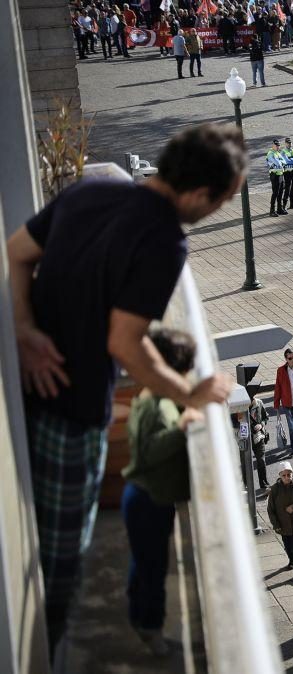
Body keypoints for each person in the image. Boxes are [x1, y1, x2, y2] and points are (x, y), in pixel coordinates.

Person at [7, 124, 240, 653]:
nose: (217, 210)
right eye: (222, 201)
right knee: (61, 560)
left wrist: (23, 329)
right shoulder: (164, 242)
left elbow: (16, 253)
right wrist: (191, 392)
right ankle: (48, 653)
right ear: (200, 195)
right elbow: (126, 343)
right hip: (72, 411)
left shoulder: (92, 190)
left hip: (26, 393)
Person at [121, 328, 201, 656]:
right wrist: (183, 427)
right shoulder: (157, 404)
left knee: (144, 562)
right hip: (148, 499)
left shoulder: (154, 396)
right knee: (153, 567)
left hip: (147, 497)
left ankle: (139, 617)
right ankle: (151, 629)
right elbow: (149, 451)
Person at [267, 139, 288, 216]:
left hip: (280, 174)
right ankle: (272, 210)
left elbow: (284, 162)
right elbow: (278, 163)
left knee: (280, 192)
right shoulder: (270, 153)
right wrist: (280, 163)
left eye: (278, 145)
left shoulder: (277, 153)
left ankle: (279, 209)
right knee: (275, 193)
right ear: (273, 145)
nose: (278, 147)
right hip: (274, 174)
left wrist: (281, 163)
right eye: (276, 145)